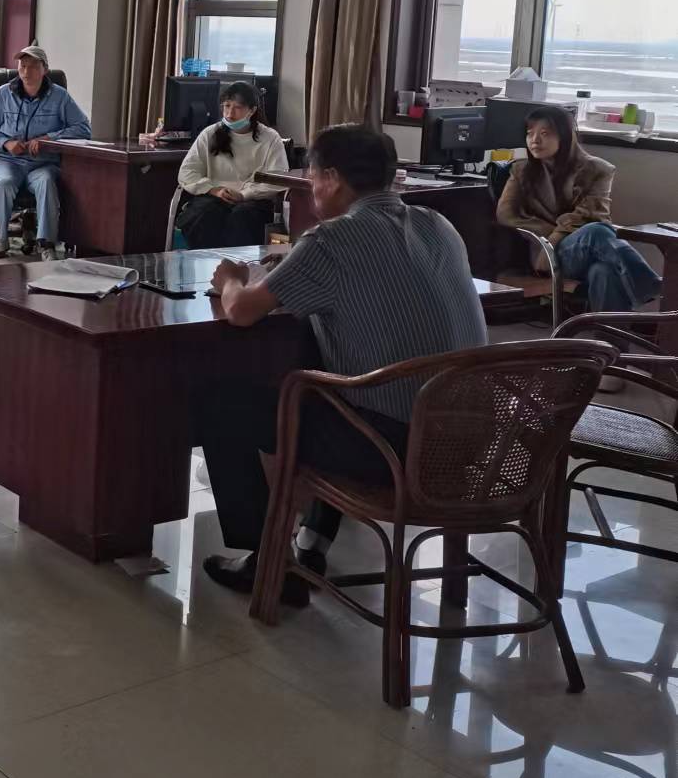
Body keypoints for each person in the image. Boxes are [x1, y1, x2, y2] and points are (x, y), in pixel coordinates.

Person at [195, 123, 487, 606]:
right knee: (322, 379)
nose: (310, 188)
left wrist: (231, 279)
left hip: (396, 451)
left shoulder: (332, 239)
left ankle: (269, 561)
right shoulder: (439, 226)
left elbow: (242, 311)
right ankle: (311, 542)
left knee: (222, 403)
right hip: (474, 444)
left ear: (331, 178)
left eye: (312, 177)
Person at [498, 104, 660, 312]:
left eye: (544, 134)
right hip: (546, 253)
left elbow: (590, 214)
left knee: (603, 271)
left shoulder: (598, 169)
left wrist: (561, 233)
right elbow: (506, 214)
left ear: (564, 137)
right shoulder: (521, 171)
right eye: (530, 133)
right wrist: (551, 235)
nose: (534, 140)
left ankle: (608, 334)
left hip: (588, 250)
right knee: (597, 232)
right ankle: (650, 286)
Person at [0, 45, 91, 259]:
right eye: (22, 66)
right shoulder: (3, 94)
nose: (26, 72)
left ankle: (46, 244)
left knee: (46, 183)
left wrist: (49, 138)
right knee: (4, 183)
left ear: (44, 70)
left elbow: (84, 129)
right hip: (9, 161)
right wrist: (6, 142)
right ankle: (2, 239)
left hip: (43, 162)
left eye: (32, 67)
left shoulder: (59, 96)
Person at [174, 80, 288, 248]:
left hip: (253, 202)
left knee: (242, 217)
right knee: (205, 215)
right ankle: (208, 263)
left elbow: (277, 179)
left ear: (252, 110)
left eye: (237, 107)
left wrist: (244, 195)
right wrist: (213, 189)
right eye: (226, 106)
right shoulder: (210, 134)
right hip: (214, 197)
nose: (229, 113)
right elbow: (187, 172)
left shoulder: (270, 138)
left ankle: (237, 264)